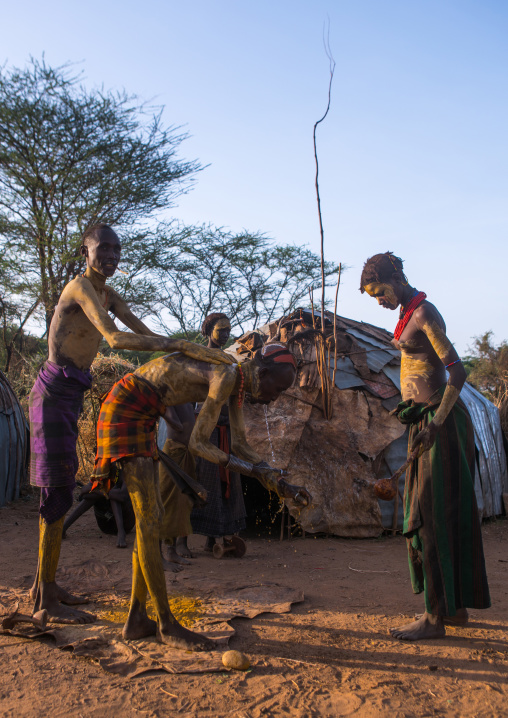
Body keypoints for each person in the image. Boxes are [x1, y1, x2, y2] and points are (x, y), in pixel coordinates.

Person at [29, 223, 233, 624]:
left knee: (62, 491)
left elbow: (143, 331)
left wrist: (189, 353)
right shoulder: (80, 288)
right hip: (53, 393)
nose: (111, 255)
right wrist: (182, 345)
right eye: (103, 248)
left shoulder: (108, 293)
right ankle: (43, 596)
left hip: (71, 394)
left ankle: (45, 587)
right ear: (85, 252)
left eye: (116, 250)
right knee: (55, 493)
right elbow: (116, 339)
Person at [91, 342, 311, 650]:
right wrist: (252, 471)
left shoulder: (237, 381)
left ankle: (137, 618)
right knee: (149, 522)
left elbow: (241, 445)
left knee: (148, 523)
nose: (275, 398)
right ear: (262, 373)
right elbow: (198, 444)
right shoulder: (226, 376)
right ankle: (165, 625)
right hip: (127, 407)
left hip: (143, 411)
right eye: (277, 389)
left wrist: (275, 479)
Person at [360, 251, 490, 640]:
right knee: (434, 513)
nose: (380, 301)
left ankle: (435, 617)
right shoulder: (407, 316)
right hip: (427, 423)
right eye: (374, 297)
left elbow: (457, 371)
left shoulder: (423, 313)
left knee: (430, 516)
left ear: (395, 278)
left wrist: (437, 420)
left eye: (379, 292)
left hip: (442, 424)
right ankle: (453, 609)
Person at [185, 313, 246, 553]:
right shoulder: (198, 359)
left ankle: (227, 533)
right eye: (221, 330)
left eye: (228, 330)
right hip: (205, 431)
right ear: (209, 330)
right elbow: (188, 395)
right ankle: (209, 538)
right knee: (207, 481)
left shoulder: (230, 361)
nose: (225, 334)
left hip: (226, 431)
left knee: (230, 480)